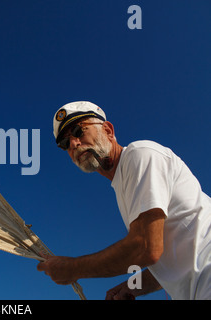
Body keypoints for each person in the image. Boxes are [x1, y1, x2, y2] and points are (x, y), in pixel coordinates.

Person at [37, 101, 211, 300]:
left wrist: (72, 269)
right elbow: (172, 259)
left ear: (108, 130)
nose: (74, 144)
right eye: (65, 144)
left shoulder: (140, 155)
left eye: (79, 131)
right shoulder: (124, 186)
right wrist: (132, 287)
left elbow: (146, 247)